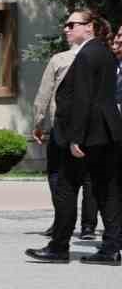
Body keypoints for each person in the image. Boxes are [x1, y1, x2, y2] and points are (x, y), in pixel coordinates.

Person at [29, 9, 122, 263]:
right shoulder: (105, 53)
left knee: (66, 189)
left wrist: (75, 138)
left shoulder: (85, 56)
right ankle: (112, 248)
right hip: (108, 131)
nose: (66, 29)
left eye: (72, 24)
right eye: (66, 25)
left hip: (86, 135)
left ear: (89, 27)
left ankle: (59, 247)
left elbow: (82, 100)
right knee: (107, 190)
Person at [32, 39, 99, 242]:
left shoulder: (59, 59)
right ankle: (88, 226)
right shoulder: (101, 58)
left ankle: (61, 221)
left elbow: (44, 93)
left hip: (61, 127)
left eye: (71, 25)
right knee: (89, 178)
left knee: (57, 175)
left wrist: (38, 123)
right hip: (91, 128)